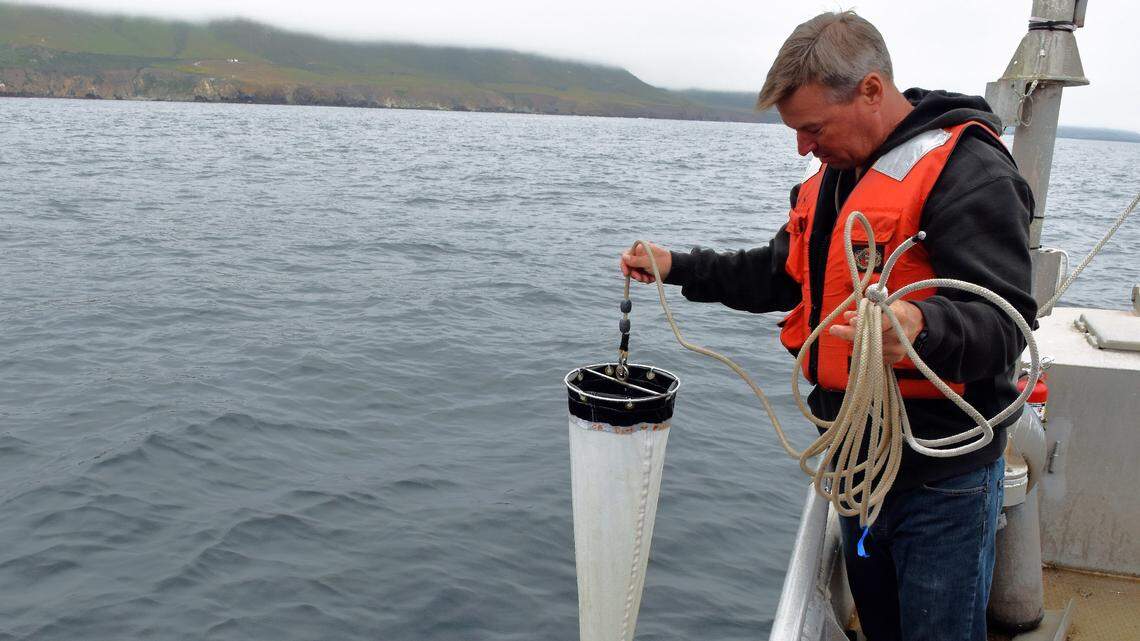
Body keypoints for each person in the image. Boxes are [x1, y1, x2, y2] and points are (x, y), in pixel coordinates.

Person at [619, 11, 1037, 641]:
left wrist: (918, 327)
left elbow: (1005, 323)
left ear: (871, 90)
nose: (802, 147)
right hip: (855, 462)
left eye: (812, 128)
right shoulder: (835, 176)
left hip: (938, 478)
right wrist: (677, 266)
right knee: (881, 626)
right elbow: (779, 275)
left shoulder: (968, 171)